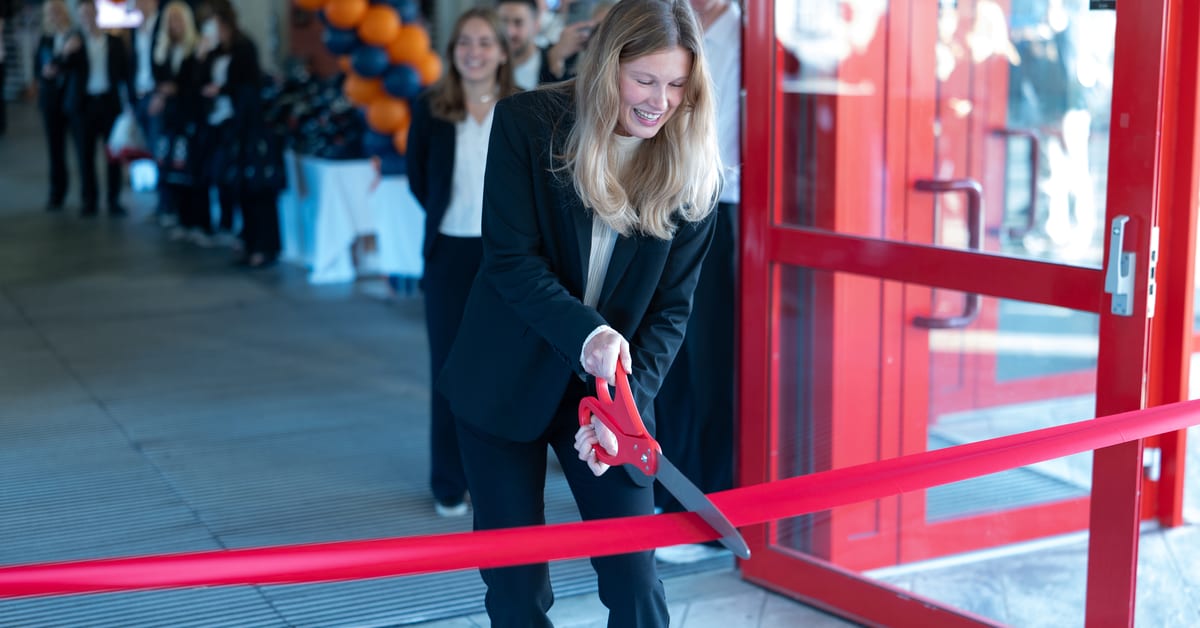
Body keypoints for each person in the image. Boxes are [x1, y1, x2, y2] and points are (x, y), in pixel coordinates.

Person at [437, 0, 721, 624]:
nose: (659, 101)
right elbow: (510, 260)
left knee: (635, 582)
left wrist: (627, 406)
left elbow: (671, 312)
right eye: (644, 80)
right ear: (605, 66)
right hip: (503, 377)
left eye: (676, 84)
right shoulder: (526, 123)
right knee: (517, 590)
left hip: (607, 391)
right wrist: (589, 334)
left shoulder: (694, 168)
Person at [405, 7, 519, 518]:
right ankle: (448, 481)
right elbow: (418, 179)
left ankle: (496, 479)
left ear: (502, 51)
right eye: (464, 43)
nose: (473, 52)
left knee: (502, 373)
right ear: (452, 52)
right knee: (449, 372)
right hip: (450, 254)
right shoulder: (432, 107)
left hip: (508, 258)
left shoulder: (523, 107)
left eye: (484, 43)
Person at [651, 0, 740, 564]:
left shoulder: (755, 32)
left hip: (727, 203)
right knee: (665, 355)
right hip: (663, 196)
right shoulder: (668, 23)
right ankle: (667, 495)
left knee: (711, 362)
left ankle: (711, 511)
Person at [61, 0, 131, 217]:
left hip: (108, 103)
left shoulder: (114, 42)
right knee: (85, 156)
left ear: (96, 13)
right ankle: (89, 200)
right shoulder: (74, 41)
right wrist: (66, 52)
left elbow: (126, 73)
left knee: (112, 154)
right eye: (82, 15)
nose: (87, 18)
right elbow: (59, 70)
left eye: (89, 13)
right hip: (84, 106)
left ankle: (113, 199)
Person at [150, 1, 198, 223]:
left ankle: (190, 216)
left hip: (188, 115)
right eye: (171, 20)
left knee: (187, 168)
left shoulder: (195, 48)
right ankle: (173, 210)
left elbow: (195, 81)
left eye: (178, 19)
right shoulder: (165, 49)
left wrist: (176, 89)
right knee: (168, 164)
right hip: (170, 115)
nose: (174, 24)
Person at [33, 0, 75, 211]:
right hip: (51, 101)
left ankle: (88, 196)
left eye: (57, 11)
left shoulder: (74, 36)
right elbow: (38, 68)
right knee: (55, 150)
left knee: (81, 148)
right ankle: (57, 193)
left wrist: (59, 62)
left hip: (73, 99)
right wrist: (44, 73)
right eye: (50, 12)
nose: (54, 15)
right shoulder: (45, 38)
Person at [496, 0, 592, 90]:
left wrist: (555, 64)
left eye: (518, 22)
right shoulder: (489, 66)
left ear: (536, 24)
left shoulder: (555, 61)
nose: (509, 32)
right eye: (503, 22)